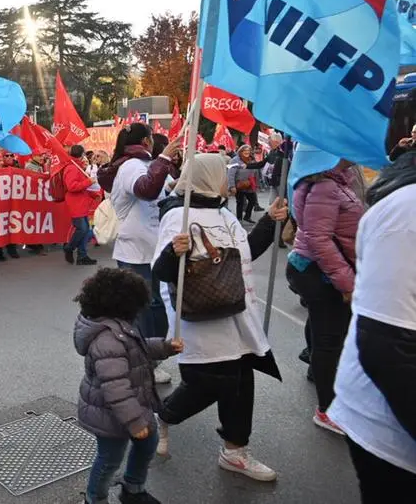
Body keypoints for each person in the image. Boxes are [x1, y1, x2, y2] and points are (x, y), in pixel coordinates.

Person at [152, 153, 286, 482]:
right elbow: (161, 270)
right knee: (210, 382)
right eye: (221, 174)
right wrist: (173, 252)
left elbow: (245, 253)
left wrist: (269, 220)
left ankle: (235, 451)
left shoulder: (223, 213)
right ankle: (162, 414)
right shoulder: (177, 216)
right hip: (203, 319)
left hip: (238, 314)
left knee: (241, 382)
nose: (226, 180)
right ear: (207, 177)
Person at [328, 153, 416, 500]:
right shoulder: (406, 211)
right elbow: (387, 346)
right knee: (324, 339)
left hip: (360, 281)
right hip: (391, 433)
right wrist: (345, 280)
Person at [74, 267, 183, 504]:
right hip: (110, 414)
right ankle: (95, 498)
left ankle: (133, 488)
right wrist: (134, 422)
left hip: (134, 404)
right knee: (109, 459)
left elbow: (138, 348)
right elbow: (116, 388)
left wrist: (164, 347)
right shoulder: (107, 339)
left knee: (148, 444)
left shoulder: (118, 326)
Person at [285, 155, 364, 435]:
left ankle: (332, 394)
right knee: (330, 340)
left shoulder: (336, 182)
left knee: (329, 336)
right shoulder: (325, 186)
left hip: (325, 271)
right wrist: (347, 283)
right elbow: (319, 239)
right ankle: (327, 409)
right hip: (321, 272)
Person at [106, 124, 180, 372]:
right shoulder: (131, 167)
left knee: (157, 308)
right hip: (135, 254)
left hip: (155, 251)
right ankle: (143, 363)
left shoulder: (149, 164)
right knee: (143, 310)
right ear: (147, 141)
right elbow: (147, 190)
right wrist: (165, 157)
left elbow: (167, 191)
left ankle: (151, 358)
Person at [63, 145, 102, 266]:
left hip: (80, 203)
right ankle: (70, 248)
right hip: (76, 204)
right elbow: (72, 186)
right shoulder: (72, 168)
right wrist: (88, 182)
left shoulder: (76, 167)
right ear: (82, 154)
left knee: (85, 230)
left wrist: (92, 195)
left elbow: (80, 188)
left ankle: (82, 255)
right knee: (83, 229)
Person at [227, 145, 266, 223]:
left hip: (250, 184)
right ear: (241, 151)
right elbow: (230, 174)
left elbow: (256, 172)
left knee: (252, 201)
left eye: (248, 151)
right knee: (240, 202)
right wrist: (232, 186)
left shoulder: (252, 159)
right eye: (245, 151)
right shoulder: (234, 160)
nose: (247, 152)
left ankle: (247, 217)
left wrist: (258, 184)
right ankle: (239, 219)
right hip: (239, 184)